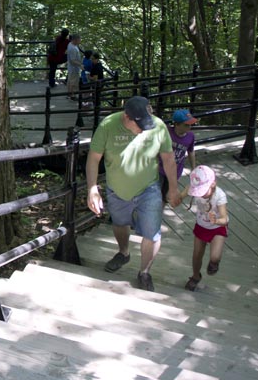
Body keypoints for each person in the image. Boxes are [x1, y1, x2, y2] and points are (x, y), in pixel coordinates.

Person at [86, 96, 181, 292]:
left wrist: (173, 188)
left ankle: (144, 272)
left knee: (152, 233)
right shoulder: (108, 125)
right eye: (140, 125)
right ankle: (123, 252)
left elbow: (169, 159)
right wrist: (92, 188)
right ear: (127, 117)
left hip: (149, 188)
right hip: (116, 189)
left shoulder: (158, 126)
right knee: (120, 223)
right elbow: (94, 158)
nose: (144, 129)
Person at [183, 165, 229, 292]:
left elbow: (225, 219)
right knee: (197, 254)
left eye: (202, 191)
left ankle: (214, 263)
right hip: (201, 225)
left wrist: (217, 220)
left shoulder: (219, 196)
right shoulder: (194, 189)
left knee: (215, 256)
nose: (200, 194)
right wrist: (178, 198)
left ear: (213, 185)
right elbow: (184, 193)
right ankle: (195, 276)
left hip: (217, 228)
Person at [160, 109, 198, 202]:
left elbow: (191, 151)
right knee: (153, 193)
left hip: (175, 172)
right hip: (159, 169)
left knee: (164, 196)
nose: (189, 127)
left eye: (190, 124)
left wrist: (193, 168)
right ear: (176, 124)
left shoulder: (190, 136)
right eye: (186, 125)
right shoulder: (167, 132)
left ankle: (158, 214)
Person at [65, 34, 83, 100]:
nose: (80, 41)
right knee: (73, 81)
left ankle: (69, 94)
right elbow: (73, 60)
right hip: (73, 68)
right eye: (79, 39)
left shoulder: (70, 44)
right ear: (75, 40)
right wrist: (80, 65)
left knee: (70, 80)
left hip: (71, 67)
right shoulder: (72, 48)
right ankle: (72, 95)